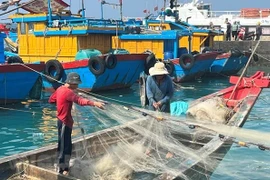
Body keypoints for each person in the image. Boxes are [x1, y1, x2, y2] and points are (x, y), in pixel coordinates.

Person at [49, 72, 105, 175]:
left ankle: (64, 167)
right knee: (64, 147)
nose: (78, 86)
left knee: (66, 145)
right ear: (71, 83)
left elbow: (51, 100)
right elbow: (80, 101)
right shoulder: (68, 93)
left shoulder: (60, 89)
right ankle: (61, 170)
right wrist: (95, 103)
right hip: (65, 122)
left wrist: (62, 102)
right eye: (76, 84)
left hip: (61, 122)